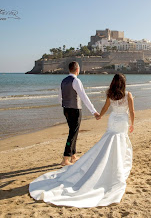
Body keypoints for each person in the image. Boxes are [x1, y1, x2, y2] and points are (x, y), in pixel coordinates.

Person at [29, 73, 135, 208]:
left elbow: (105, 108)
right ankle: (117, 164)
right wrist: (132, 124)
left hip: (113, 120)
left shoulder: (110, 94)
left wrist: (100, 116)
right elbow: (132, 111)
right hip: (122, 121)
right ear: (124, 84)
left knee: (108, 142)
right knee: (120, 142)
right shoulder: (128, 95)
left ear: (113, 83)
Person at [58, 61, 100, 166]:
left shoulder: (63, 81)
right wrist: (93, 111)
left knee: (73, 132)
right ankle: (65, 158)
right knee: (72, 133)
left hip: (66, 109)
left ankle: (73, 156)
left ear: (69, 69)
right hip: (75, 110)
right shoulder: (76, 81)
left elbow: (60, 97)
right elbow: (84, 97)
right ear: (77, 69)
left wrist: (65, 106)